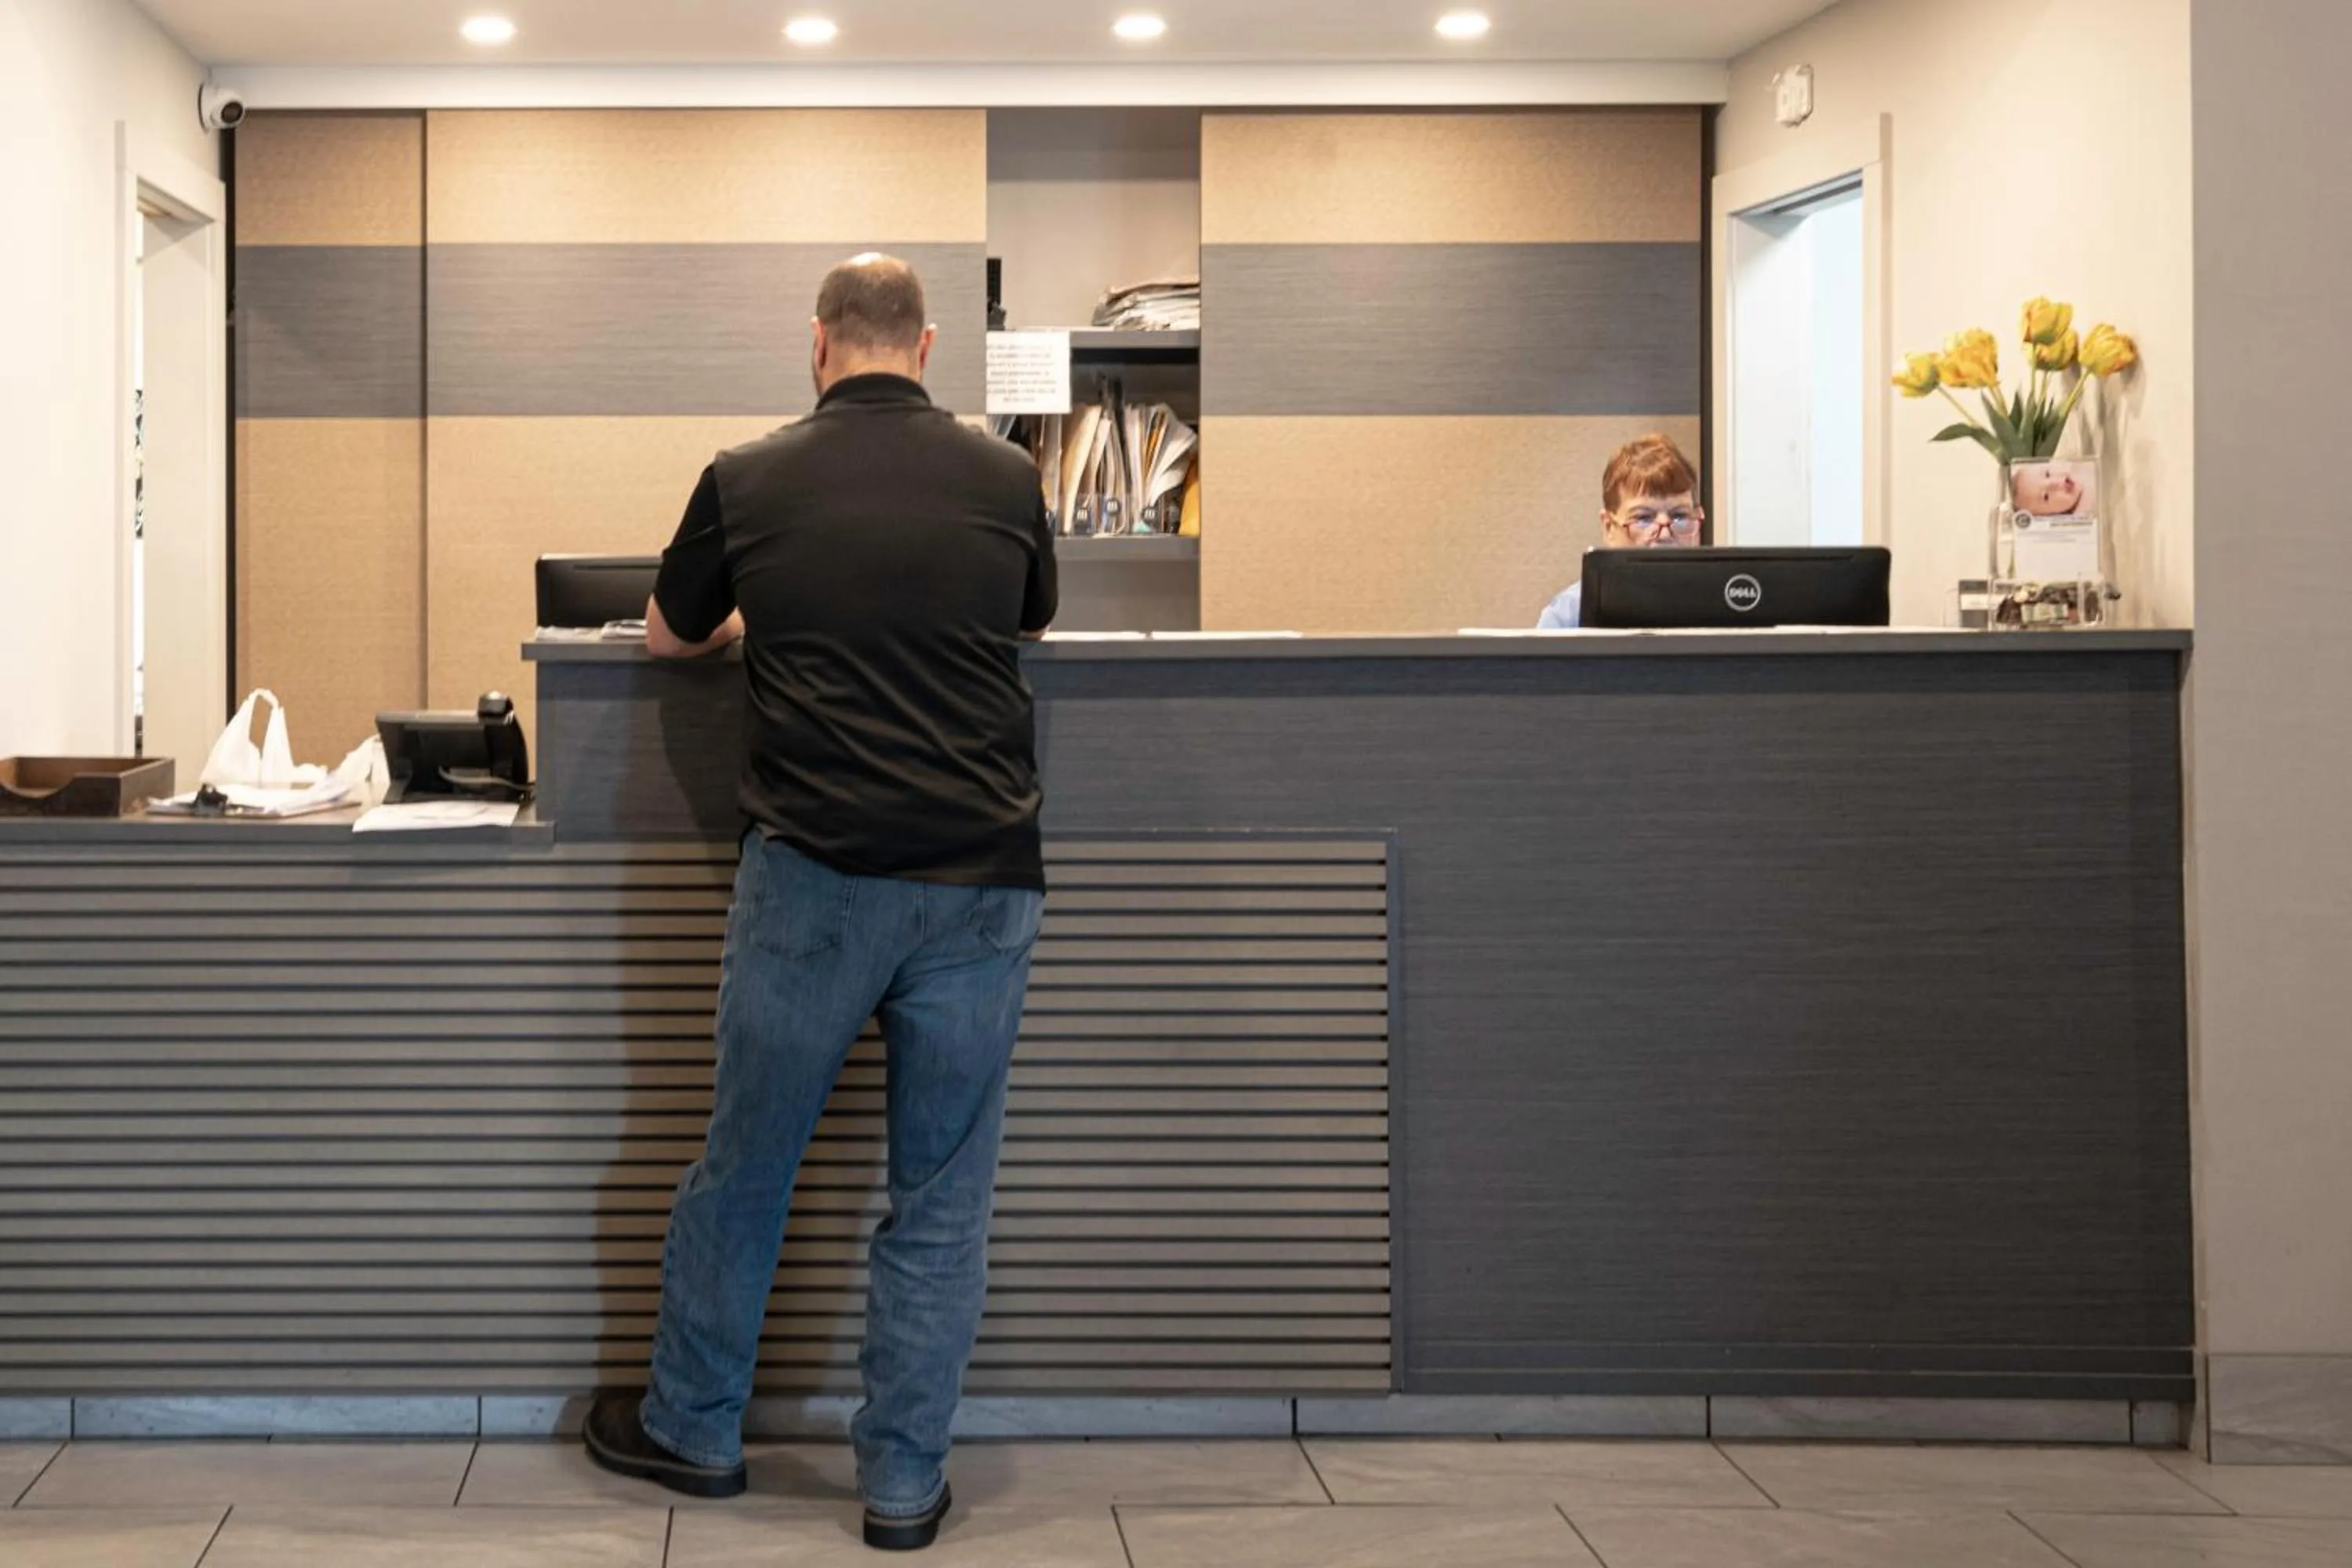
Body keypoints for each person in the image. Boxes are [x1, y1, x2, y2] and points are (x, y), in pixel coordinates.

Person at [582, 253, 1058, 1554]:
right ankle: (903, 1490)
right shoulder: (1010, 476)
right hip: (978, 879)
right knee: (941, 1196)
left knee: (748, 1163)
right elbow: (1027, 616)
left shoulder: (748, 476)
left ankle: (696, 1427)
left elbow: (668, 640)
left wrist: (763, 631)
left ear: (817, 345)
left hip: (814, 877)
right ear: (928, 345)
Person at [1537, 434, 1706, 629]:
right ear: (1609, 527)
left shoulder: (1727, 605)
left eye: (1679, 516)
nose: (1665, 535)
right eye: (1643, 518)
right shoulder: (1566, 619)